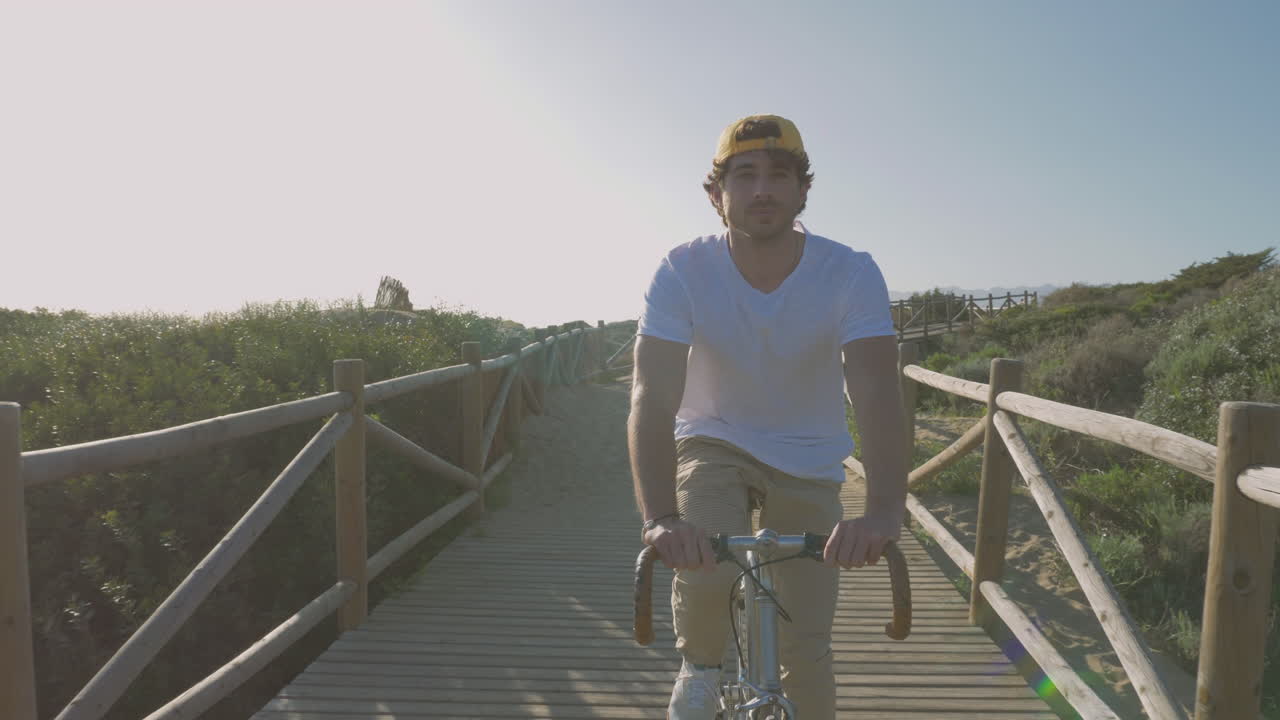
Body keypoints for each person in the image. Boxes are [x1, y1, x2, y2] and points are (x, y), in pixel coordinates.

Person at [628, 114, 909, 719]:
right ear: (716, 194)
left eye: (779, 176)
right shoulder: (681, 270)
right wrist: (659, 518)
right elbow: (652, 397)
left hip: (809, 452)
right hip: (714, 438)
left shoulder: (850, 272)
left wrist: (884, 512)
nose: (762, 190)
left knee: (807, 646)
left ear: (803, 191)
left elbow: (878, 393)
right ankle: (700, 667)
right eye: (744, 175)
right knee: (701, 557)